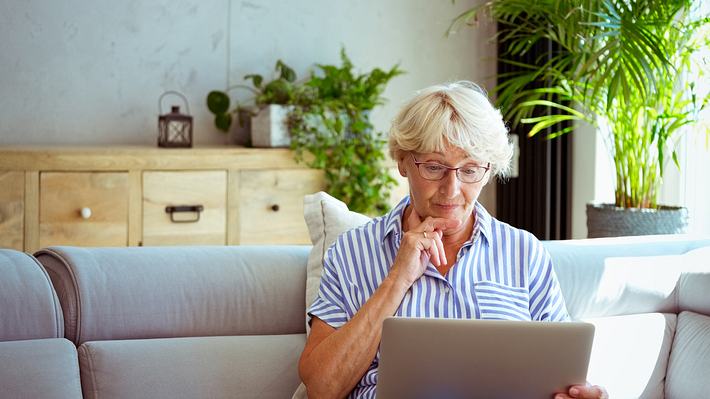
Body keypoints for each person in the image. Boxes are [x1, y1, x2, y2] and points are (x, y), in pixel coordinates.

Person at [298, 81, 607, 399]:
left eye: (470, 170)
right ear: (403, 161)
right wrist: (397, 279)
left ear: (488, 172)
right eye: (434, 167)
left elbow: (562, 373)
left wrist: (579, 394)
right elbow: (322, 387)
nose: (452, 189)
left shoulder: (524, 253)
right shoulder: (352, 251)